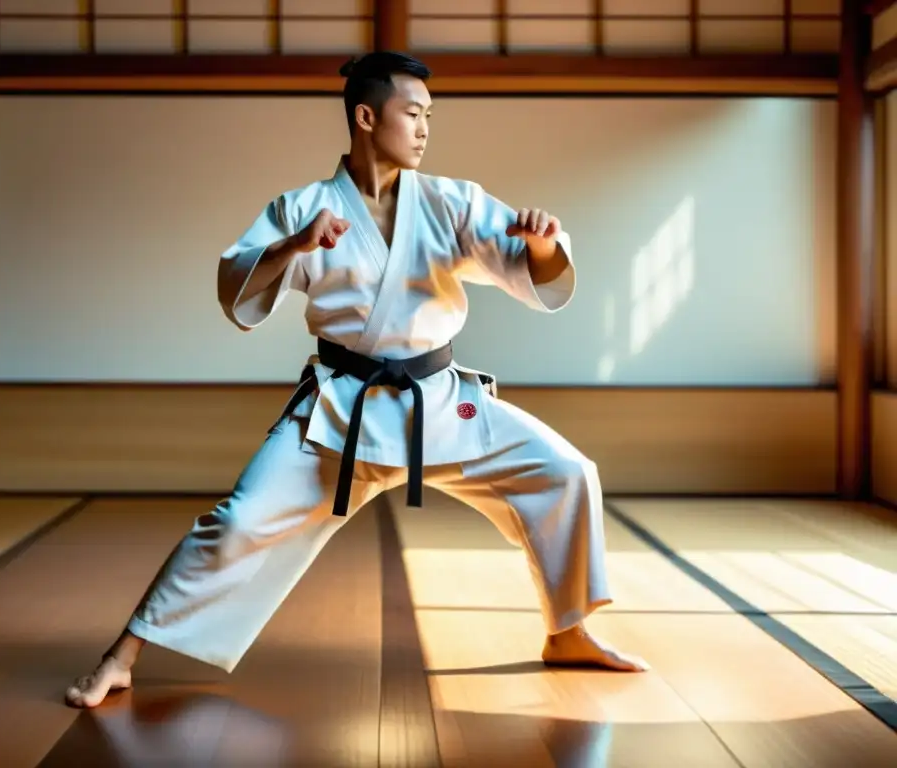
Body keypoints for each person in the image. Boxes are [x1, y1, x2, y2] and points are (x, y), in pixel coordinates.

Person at [65, 51, 647, 710]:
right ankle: (122, 656)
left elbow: (526, 266)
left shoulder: (452, 201)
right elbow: (238, 290)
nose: (425, 129)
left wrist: (541, 243)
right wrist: (294, 246)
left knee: (566, 472)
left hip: (439, 401)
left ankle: (568, 632)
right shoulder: (304, 207)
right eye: (412, 114)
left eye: (430, 116)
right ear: (367, 117)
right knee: (237, 524)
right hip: (342, 409)